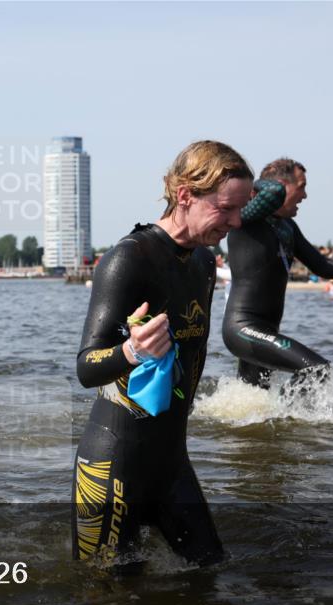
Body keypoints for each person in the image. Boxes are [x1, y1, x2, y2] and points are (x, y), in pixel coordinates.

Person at [72, 140, 281, 567]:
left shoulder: (203, 262)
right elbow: (86, 367)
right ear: (185, 195)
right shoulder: (128, 259)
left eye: (241, 209)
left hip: (171, 462)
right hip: (114, 464)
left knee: (211, 575)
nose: (237, 221)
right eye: (226, 209)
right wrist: (131, 350)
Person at [222, 158, 333, 389]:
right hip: (244, 329)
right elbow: (272, 190)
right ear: (281, 186)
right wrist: (257, 185)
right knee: (319, 370)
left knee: (255, 408)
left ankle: (282, 422)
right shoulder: (245, 219)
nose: (304, 196)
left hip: (265, 333)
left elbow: (320, 263)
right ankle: (291, 420)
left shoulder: (287, 227)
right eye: (302, 186)